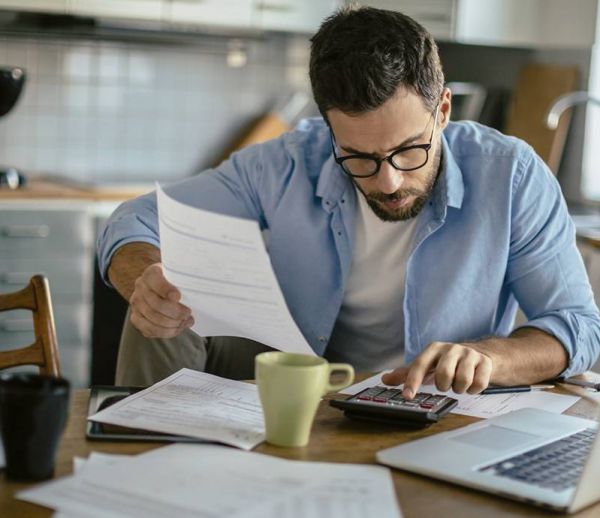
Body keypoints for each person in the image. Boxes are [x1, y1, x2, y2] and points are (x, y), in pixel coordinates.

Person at [98, 6, 600, 398]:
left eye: (409, 150)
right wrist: (145, 277)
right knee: (162, 288)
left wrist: (488, 358)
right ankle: (141, 466)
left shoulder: (511, 174)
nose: (387, 180)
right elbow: (135, 217)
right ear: (329, 129)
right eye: (358, 156)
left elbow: (577, 327)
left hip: (430, 402)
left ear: (442, 109)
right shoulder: (288, 161)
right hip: (302, 378)